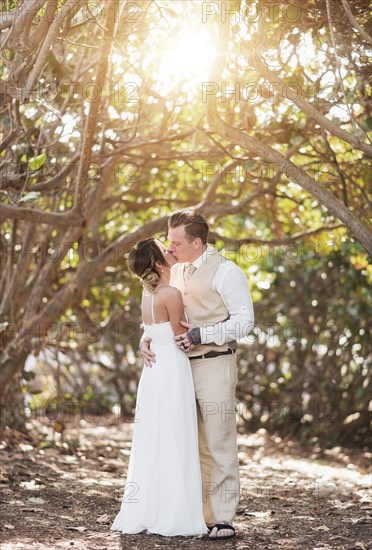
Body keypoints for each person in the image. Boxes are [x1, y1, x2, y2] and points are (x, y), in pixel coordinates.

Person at [141, 210, 255, 541]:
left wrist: (201, 334)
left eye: (175, 242)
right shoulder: (170, 273)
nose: (169, 247)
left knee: (219, 441)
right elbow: (155, 316)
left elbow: (244, 321)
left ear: (196, 242)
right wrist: (144, 340)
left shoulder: (226, 272)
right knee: (191, 442)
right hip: (177, 369)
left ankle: (223, 517)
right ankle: (199, 515)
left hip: (215, 362)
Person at [110, 238, 207, 537]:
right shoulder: (171, 293)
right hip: (172, 371)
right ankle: (174, 514)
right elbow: (181, 337)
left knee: (155, 441)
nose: (170, 249)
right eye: (165, 249)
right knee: (175, 438)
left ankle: (151, 509)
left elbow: (153, 331)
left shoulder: (147, 294)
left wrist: (145, 339)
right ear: (159, 263)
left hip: (153, 374)